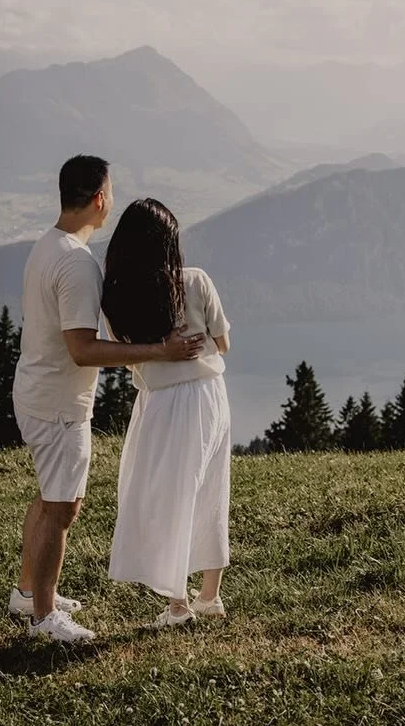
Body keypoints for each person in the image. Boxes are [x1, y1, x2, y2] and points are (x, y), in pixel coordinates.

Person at [10, 157, 206, 643]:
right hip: (58, 402)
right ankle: (43, 617)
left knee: (49, 493)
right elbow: (82, 349)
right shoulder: (76, 263)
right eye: (111, 193)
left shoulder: (47, 245)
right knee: (63, 507)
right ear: (99, 198)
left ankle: (27, 592)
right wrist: (160, 351)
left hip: (36, 389)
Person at [101, 198, 233, 628]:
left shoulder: (118, 302)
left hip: (163, 402)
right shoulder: (196, 281)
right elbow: (224, 343)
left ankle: (178, 606)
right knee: (210, 488)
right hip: (211, 394)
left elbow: (123, 355)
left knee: (169, 496)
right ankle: (209, 595)